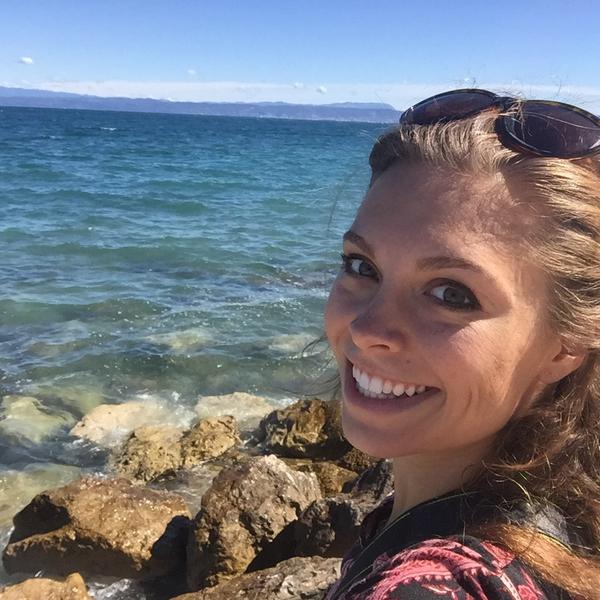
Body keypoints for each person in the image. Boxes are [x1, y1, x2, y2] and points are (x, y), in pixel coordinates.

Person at [323, 89, 600, 599]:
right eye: (362, 267)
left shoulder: (441, 585)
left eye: (453, 294)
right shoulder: (570, 519)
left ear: (567, 344)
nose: (367, 329)